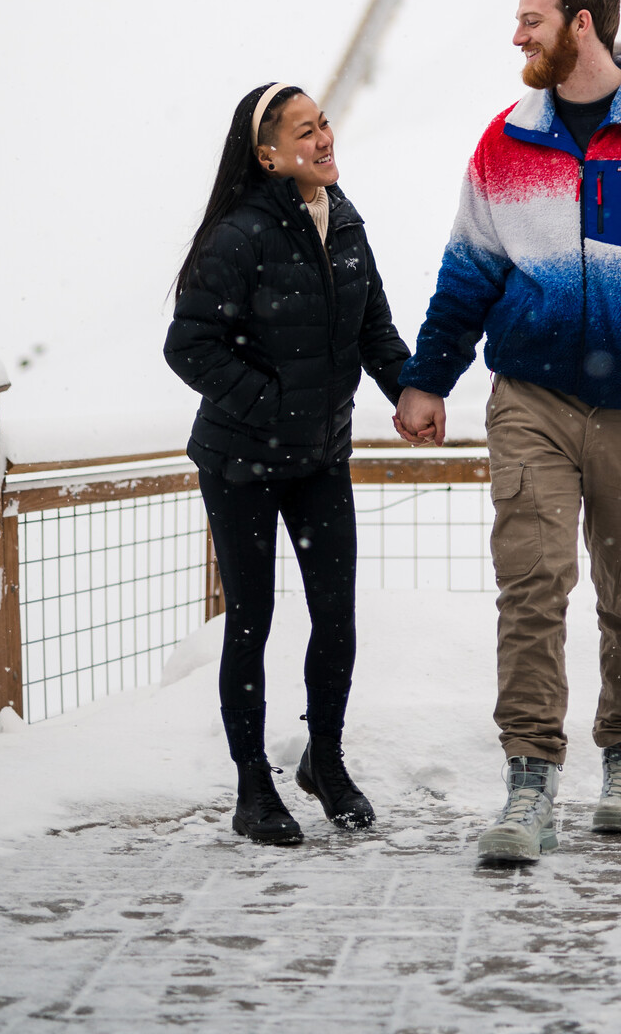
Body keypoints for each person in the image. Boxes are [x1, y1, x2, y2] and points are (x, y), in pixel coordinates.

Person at [395, 0, 621, 861]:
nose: (516, 37)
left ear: (580, 24)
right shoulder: (505, 141)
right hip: (530, 399)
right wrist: (428, 377)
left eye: (531, 20)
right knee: (531, 586)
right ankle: (528, 781)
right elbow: (467, 271)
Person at [165, 81, 410, 846]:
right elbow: (188, 346)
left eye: (325, 123)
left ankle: (325, 764)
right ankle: (250, 790)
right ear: (267, 155)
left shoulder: (345, 223)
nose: (324, 138)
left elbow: (376, 330)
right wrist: (272, 408)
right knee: (253, 619)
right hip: (240, 462)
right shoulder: (239, 236)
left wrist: (412, 391)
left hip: (319, 458)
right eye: (305, 130)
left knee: (335, 615)